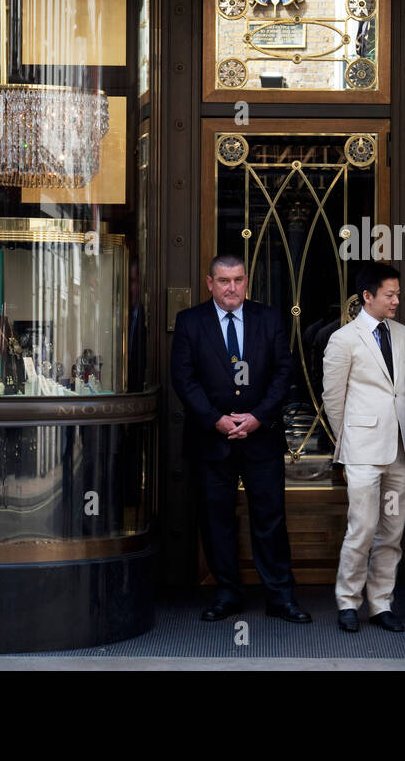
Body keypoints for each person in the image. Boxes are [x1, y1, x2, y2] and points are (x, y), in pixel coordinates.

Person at [170, 254, 311, 623]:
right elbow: (184, 379)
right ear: (209, 282)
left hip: (260, 437)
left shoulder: (268, 318)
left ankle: (280, 597)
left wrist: (258, 418)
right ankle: (228, 593)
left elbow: (284, 372)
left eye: (238, 280)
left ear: (246, 281)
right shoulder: (189, 322)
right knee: (217, 519)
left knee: (270, 518)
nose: (232, 287)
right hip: (210, 439)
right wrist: (216, 420)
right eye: (223, 281)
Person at [322, 263, 405, 633]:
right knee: (362, 528)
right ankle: (348, 601)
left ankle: (380, 603)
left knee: (392, 533)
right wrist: (348, 439)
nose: (396, 300)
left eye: (397, 293)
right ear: (367, 297)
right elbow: (333, 399)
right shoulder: (343, 339)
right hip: (362, 451)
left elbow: (401, 391)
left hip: (399, 451)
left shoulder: (404, 335)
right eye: (389, 294)